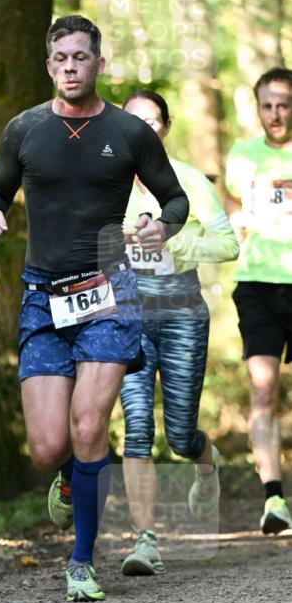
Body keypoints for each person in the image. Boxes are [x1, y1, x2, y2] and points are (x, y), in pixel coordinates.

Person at [0, 15, 189, 602]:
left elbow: (176, 198)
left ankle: (81, 560)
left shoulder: (130, 132)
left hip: (109, 291)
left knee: (89, 424)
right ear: (50, 66)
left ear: (99, 63)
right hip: (44, 295)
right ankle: (74, 477)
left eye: (80, 57)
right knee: (49, 446)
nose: (71, 67)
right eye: (61, 58)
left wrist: (160, 227)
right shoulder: (24, 130)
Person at [118, 89, 239, 576]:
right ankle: (144, 540)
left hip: (183, 313)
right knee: (138, 427)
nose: (143, 130)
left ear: (165, 127)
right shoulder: (107, 183)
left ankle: (206, 463)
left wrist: (176, 237)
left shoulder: (187, 180)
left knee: (180, 436)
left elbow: (228, 244)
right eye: (133, 122)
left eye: (152, 121)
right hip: (127, 316)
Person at [225, 67, 292, 534]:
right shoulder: (242, 155)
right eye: (267, 105)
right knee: (263, 389)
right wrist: (235, 219)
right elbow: (231, 203)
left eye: (284, 104)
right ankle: (274, 499)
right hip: (257, 284)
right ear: (257, 108)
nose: (276, 114)